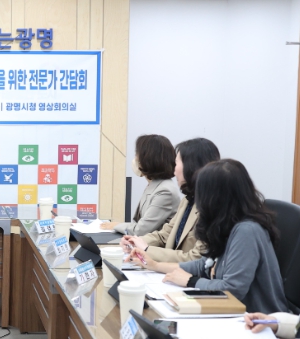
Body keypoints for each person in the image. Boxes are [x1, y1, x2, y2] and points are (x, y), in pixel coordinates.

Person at [128, 159, 287, 314]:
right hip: (232, 312)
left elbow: (233, 289)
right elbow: (204, 265)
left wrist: (191, 281)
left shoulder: (247, 231)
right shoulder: (227, 224)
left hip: (257, 319)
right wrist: (155, 265)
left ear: (216, 198)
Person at [120, 138, 220, 262]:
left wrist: (146, 249)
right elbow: (165, 234)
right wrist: (135, 242)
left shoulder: (212, 207)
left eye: (176, 164)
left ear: (191, 166)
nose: (174, 171)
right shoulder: (187, 201)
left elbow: (196, 258)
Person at [101, 134, 179, 236]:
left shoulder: (165, 191)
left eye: (137, 154)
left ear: (148, 159)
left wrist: (116, 225)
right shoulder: (154, 185)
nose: (135, 159)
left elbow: (140, 230)